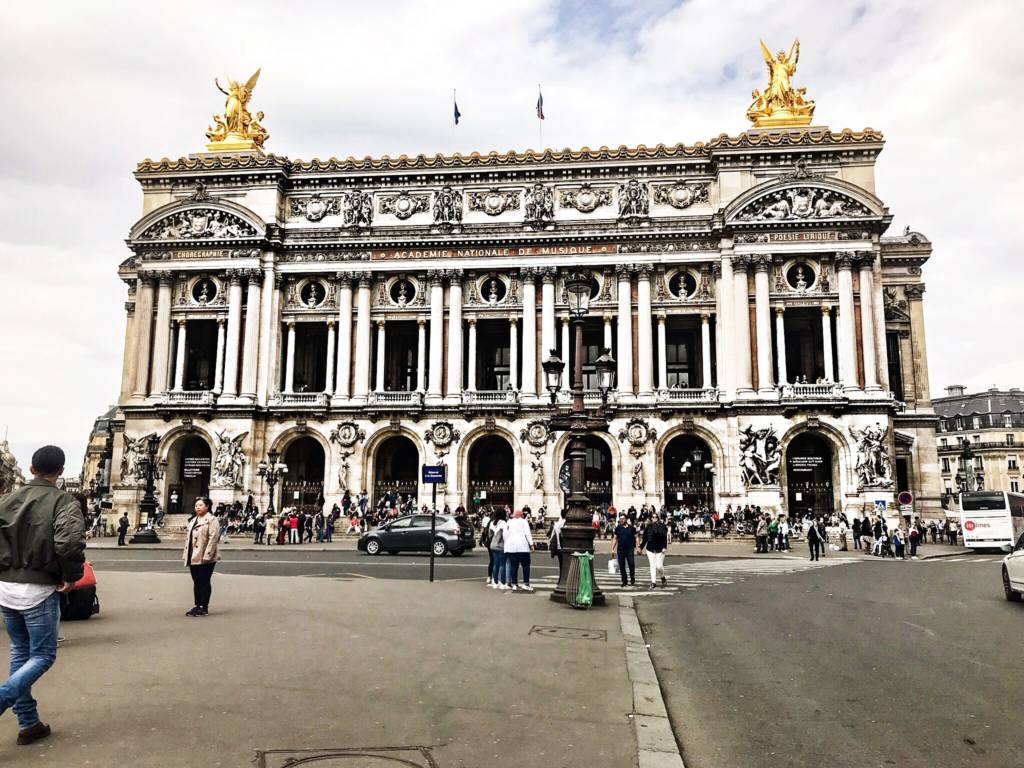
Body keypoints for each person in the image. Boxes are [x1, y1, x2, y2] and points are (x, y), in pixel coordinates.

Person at [0, 446, 86, 745]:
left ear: (32, 468)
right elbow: (69, 542)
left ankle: (29, 723)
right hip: (38, 588)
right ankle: (3, 700)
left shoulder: (7, 499)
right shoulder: (63, 501)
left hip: (6, 587)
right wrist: (71, 576)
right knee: (43, 655)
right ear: (60, 471)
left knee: (20, 653)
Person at [182, 497, 221, 616]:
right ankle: (197, 605)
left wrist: (207, 555)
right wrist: (186, 554)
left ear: (207, 506)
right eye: (196, 505)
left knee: (204, 580)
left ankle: (204, 607)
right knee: (196, 581)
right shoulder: (193, 520)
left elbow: (213, 538)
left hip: (205, 556)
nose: (197, 507)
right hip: (193, 555)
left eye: (200, 505)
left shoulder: (212, 520)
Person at [504, 510, 535, 592]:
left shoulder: (509, 522)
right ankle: (526, 584)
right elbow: (527, 533)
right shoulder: (523, 522)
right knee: (526, 565)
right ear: (521, 515)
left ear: (514, 515)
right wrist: (531, 544)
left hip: (511, 547)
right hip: (522, 547)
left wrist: (507, 544)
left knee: (514, 566)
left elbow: (505, 534)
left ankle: (514, 584)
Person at [640, 513, 669, 589]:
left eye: (656, 517)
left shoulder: (662, 526)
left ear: (658, 518)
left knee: (659, 566)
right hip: (650, 549)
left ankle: (662, 577)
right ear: (651, 518)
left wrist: (664, 547)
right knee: (652, 566)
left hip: (660, 549)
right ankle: (653, 582)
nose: (654, 518)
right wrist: (640, 548)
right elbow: (644, 539)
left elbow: (664, 538)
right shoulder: (648, 527)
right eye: (653, 517)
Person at [611, 514, 637, 587]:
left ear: (626, 519)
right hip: (620, 550)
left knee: (631, 564)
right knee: (622, 566)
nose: (621, 520)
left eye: (622, 519)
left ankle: (632, 576)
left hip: (630, 549)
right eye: (620, 519)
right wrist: (612, 549)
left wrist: (638, 547)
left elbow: (636, 537)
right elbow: (615, 538)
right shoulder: (618, 528)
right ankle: (624, 581)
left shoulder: (631, 528)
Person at [488, 509, 508, 590]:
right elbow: (505, 535)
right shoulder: (503, 523)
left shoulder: (492, 523)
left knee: (496, 564)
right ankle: (503, 583)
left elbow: (490, 534)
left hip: (493, 545)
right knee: (503, 564)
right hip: (501, 545)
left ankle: (495, 582)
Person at [549, 509, 566, 580]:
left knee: (561, 564)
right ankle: (565, 579)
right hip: (565, 546)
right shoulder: (566, 524)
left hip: (558, 548)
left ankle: (561, 579)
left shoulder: (557, 524)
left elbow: (552, 535)